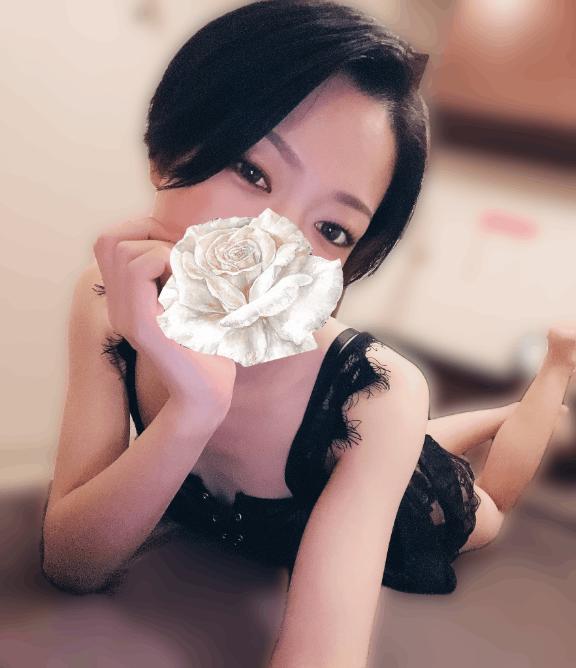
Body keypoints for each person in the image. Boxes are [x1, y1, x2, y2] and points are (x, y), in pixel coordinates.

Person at [38, 1, 576, 666]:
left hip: (402, 488)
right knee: (408, 438)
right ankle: (478, 418)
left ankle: (552, 372)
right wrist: (194, 411)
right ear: (170, 149)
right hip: (374, 447)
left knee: (484, 508)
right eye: (253, 172)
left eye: (331, 230)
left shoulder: (378, 396)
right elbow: (72, 564)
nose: (276, 246)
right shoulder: (107, 299)